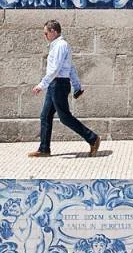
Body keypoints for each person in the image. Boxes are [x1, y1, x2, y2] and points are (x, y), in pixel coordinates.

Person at [28, 19, 100, 159]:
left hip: (58, 84)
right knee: (45, 115)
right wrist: (77, 86)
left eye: (46, 33)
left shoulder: (61, 45)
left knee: (65, 117)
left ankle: (93, 139)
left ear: (53, 31)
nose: (45, 36)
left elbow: (55, 69)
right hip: (55, 84)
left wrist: (41, 85)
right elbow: (71, 68)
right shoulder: (57, 46)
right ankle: (44, 149)